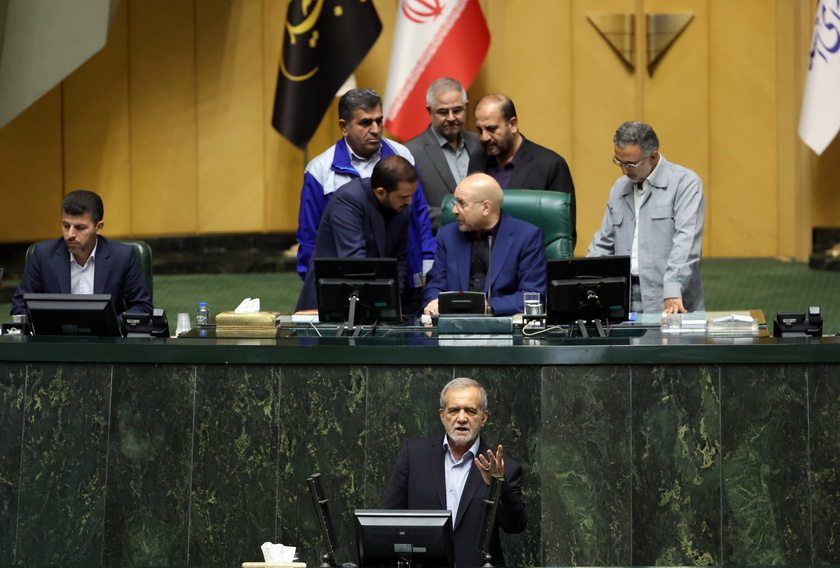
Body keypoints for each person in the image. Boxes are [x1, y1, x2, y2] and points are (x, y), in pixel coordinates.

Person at [295, 88, 435, 297]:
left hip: (402, 271)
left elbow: (419, 215)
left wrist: (426, 263)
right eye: (365, 123)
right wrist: (319, 288)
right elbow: (310, 236)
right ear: (344, 127)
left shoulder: (401, 156)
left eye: (379, 120)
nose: (376, 129)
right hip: (344, 284)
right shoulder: (320, 170)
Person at [381, 377, 527, 568]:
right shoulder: (414, 455)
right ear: (442, 416)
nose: (461, 418)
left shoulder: (503, 466)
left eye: (470, 410)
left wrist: (498, 483)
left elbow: (515, 526)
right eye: (454, 410)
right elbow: (388, 520)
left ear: (483, 418)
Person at [587, 121, 705, 314]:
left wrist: (673, 288)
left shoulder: (685, 183)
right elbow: (604, 243)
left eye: (631, 164)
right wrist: (585, 281)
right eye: (619, 162)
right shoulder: (619, 188)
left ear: (653, 156)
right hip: (624, 297)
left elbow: (686, 242)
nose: (624, 171)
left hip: (671, 297)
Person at [295, 155, 417, 311]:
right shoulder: (348, 199)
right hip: (330, 295)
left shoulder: (402, 206)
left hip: (372, 297)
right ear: (381, 192)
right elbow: (354, 261)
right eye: (404, 197)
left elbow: (399, 259)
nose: (409, 202)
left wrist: (392, 303)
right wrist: (379, 305)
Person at [422, 173, 547, 317]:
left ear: (486, 207)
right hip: (453, 328)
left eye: (461, 203)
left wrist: (486, 307)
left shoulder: (527, 236)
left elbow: (533, 296)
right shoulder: (447, 235)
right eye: (455, 203)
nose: (454, 210)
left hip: (504, 329)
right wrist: (433, 301)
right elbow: (434, 284)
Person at [11, 190, 153, 316]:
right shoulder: (43, 254)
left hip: (107, 342)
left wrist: (112, 325)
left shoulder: (122, 256)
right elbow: (19, 307)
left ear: (98, 227)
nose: (70, 234)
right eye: (66, 226)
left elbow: (142, 306)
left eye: (80, 227)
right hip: (57, 341)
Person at [468, 93, 576, 245]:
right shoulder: (477, 159)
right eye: (480, 130)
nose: (484, 137)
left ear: (512, 124)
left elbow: (562, 235)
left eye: (491, 129)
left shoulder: (550, 165)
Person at [405, 78, 481, 232]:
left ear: (466, 107)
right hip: (439, 244)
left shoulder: (480, 144)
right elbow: (412, 209)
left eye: (457, 110)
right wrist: (467, 215)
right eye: (443, 112)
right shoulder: (411, 152)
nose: (451, 118)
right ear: (429, 111)